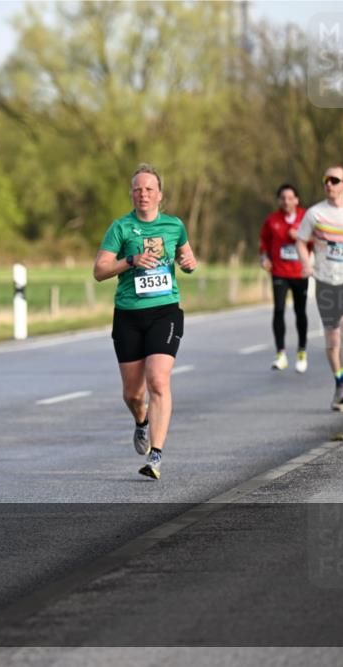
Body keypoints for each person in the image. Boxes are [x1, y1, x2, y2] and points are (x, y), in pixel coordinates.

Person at [93, 164, 197, 480]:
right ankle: (141, 421)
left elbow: (186, 257)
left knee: (159, 380)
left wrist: (189, 263)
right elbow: (99, 270)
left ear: (160, 195)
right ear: (132, 195)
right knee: (133, 394)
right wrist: (130, 261)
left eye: (149, 189)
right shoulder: (121, 228)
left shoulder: (174, 225)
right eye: (138, 189)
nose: (143, 194)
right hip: (128, 315)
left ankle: (156, 456)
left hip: (165, 311)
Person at [295, 165, 343, 411]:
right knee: (331, 335)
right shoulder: (315, 213)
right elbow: (300, 240)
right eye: (326, 180)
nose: (329, 184)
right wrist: (306, 264)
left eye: (335, 180)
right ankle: (338, 381)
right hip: (325, 279)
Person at [259, 183, 309, 372]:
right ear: (279, 200)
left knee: (300, 311)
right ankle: (280, 354)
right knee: (279, 310)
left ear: (296, 200)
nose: (286, 201)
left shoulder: (306, 217)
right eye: (283, 198)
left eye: (290, 198)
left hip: (300, 272)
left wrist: (300, 236)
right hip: (279, 271)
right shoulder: (272, 220)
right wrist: (264, 257)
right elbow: (264, 241)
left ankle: (302, 352)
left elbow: (318, 238)